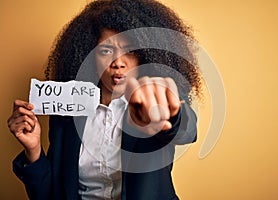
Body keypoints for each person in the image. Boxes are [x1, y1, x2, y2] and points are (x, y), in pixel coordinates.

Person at [7, 0, 202, 199]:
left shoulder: (154, 101)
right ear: (88, 55)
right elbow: (52, 195)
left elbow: (187, 130)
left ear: (146, 55)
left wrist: (171, 114)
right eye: (106, 51)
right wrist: (33, 150)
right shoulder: (67, 113)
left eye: (130, 50)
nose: (118, 63)